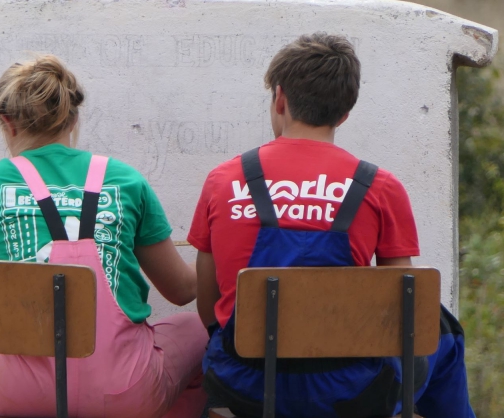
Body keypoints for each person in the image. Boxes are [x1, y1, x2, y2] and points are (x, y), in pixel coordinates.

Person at [0, 54, 209, 418]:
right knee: (201, 331)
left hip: (14, 391)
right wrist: (220, 253)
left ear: (7, 122)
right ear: (73, 117)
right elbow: (182, 291)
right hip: (125, 390)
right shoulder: (126, 181)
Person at [188, 33, 474, 418]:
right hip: (351, 390)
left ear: (280, 98)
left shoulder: (223, 180)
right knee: (442, 327)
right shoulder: (379, 187)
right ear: (344, 113)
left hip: (243, 384)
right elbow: (403, 308)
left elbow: (208, 307)